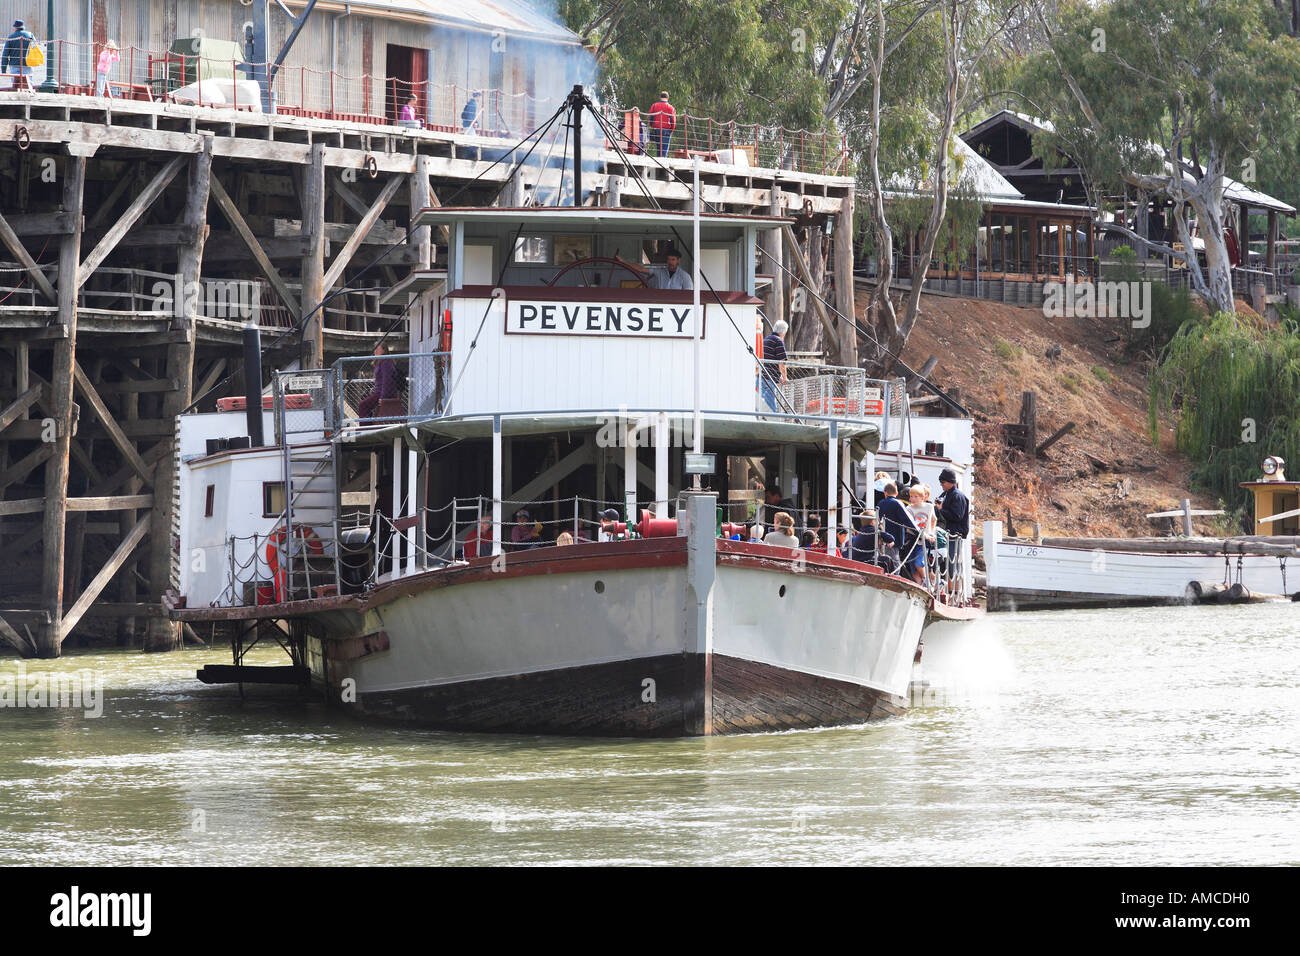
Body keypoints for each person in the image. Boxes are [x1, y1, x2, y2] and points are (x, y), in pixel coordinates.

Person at [877, 482, 923, 582]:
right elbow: (908, 520)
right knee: (894, 567)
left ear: (885, 493)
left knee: (883, 565)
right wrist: (919, 533)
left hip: (881, 540)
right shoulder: (897, 503)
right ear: (897, 493)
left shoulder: (880, 504)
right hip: (894, 541)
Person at [936, 466, 970, 567]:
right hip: (945, 534)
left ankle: (952, 582)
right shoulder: (945, 494)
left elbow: (957, 516)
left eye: (943, 482)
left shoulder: (957, 496)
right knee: (943, 564)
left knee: (951, 565)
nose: (941, 484)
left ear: (950, 482)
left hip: (954, 535)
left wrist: (941, 510)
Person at [356, 342, 399, 418]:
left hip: (383, 393)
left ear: (383, 350)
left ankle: (366, 428)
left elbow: (387, 381)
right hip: (378, 392)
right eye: (375, 349)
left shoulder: (386, 363)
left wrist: (383, 397)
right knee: (366, 405)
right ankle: (369, 424)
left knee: (362, 405)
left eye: (377, 349)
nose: (375, 351)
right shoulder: (379, 363)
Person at [761, 319, 788, 411]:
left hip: (762, 377)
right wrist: (784, 377)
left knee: (762, 405)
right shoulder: (778, 341)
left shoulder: (765, 340)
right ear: (784, 332)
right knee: (771, 407)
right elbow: (782, 362)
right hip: (770, 378)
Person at [648, 90, 676, 156]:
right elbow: (673, 120)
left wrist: (652, 126)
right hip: (666, 130)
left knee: (658, 149)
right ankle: (662, 165)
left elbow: (651, 117)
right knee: (664, 151)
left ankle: (658, 164)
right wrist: (671, 130)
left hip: (657, 129)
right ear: (667, 98)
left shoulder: (654, 105)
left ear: (660, 97)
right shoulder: (670, 107)